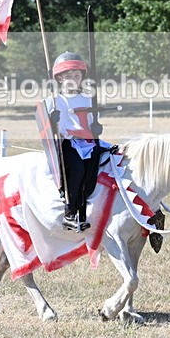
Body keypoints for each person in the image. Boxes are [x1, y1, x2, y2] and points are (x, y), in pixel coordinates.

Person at [47, 52, 111, 231]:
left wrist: (96, 127)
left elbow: (91, 123)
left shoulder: (89, 98)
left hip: (89, 142)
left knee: (103, 164)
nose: (73, 79)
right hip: (68, 143)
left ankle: (94, 209)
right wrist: (52, 120)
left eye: (77, 75)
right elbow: (49, 129)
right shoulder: (54, 101)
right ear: (59, 78)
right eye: (68, 76)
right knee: (76, 169)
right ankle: (70, 212)